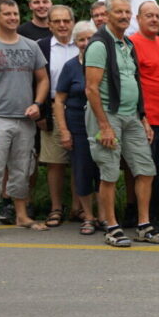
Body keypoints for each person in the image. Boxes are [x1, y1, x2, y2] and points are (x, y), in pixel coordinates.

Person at [85, 0, 159, 246]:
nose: (123, 16)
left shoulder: (127, 45)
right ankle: (112, 227)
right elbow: (91, 89)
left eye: (126, 12)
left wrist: (143, 119)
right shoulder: (99, 45)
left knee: (146, 169)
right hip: (107, 116)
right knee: (109, 173)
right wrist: (104, 126)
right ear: (107, 15)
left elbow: (136, 83)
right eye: (118, 12)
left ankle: (143, 225)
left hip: (132, 116)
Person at [0, 0, 49, 239]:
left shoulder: (30, 46)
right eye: (7, 14)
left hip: (25, 119)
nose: (13, 18)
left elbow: (43, 79)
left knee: (22, 169)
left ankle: (21, 215)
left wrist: (38, 104)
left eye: (15, 14)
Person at [129, 1, 159, 227]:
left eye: (158, 15)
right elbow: (132, 82)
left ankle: (155, 213)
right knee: (146, 171)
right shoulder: (132, 44)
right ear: (138, 19)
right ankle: (146, 218)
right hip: (147, 119)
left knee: (158, 168)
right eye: (149, 15)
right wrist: (142, 116)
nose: (155, 19)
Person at [53, 21, 100, 234]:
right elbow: (59, 100)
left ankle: (106, 216)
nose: (86, 43)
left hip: (101, 125)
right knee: (82, 170)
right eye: (81, 39)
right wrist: (64, 130)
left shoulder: (104, 63)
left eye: (90, 38)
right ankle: (88, 216)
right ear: (76, 42)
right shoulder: (70, 67)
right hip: (78, 125)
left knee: (103, 171)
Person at [36, 5, 80, 228]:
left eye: (66, 21)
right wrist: (40, 112)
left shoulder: (84, 43)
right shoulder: (41, 47)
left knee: (80, 159)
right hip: (52, 108)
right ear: (49, 24)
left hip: (79, 107)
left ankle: (78, 207)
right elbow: (35, 81)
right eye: (57, 21)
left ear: (73, 22)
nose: (63, 25)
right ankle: (55, 207)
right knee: (55, 161)